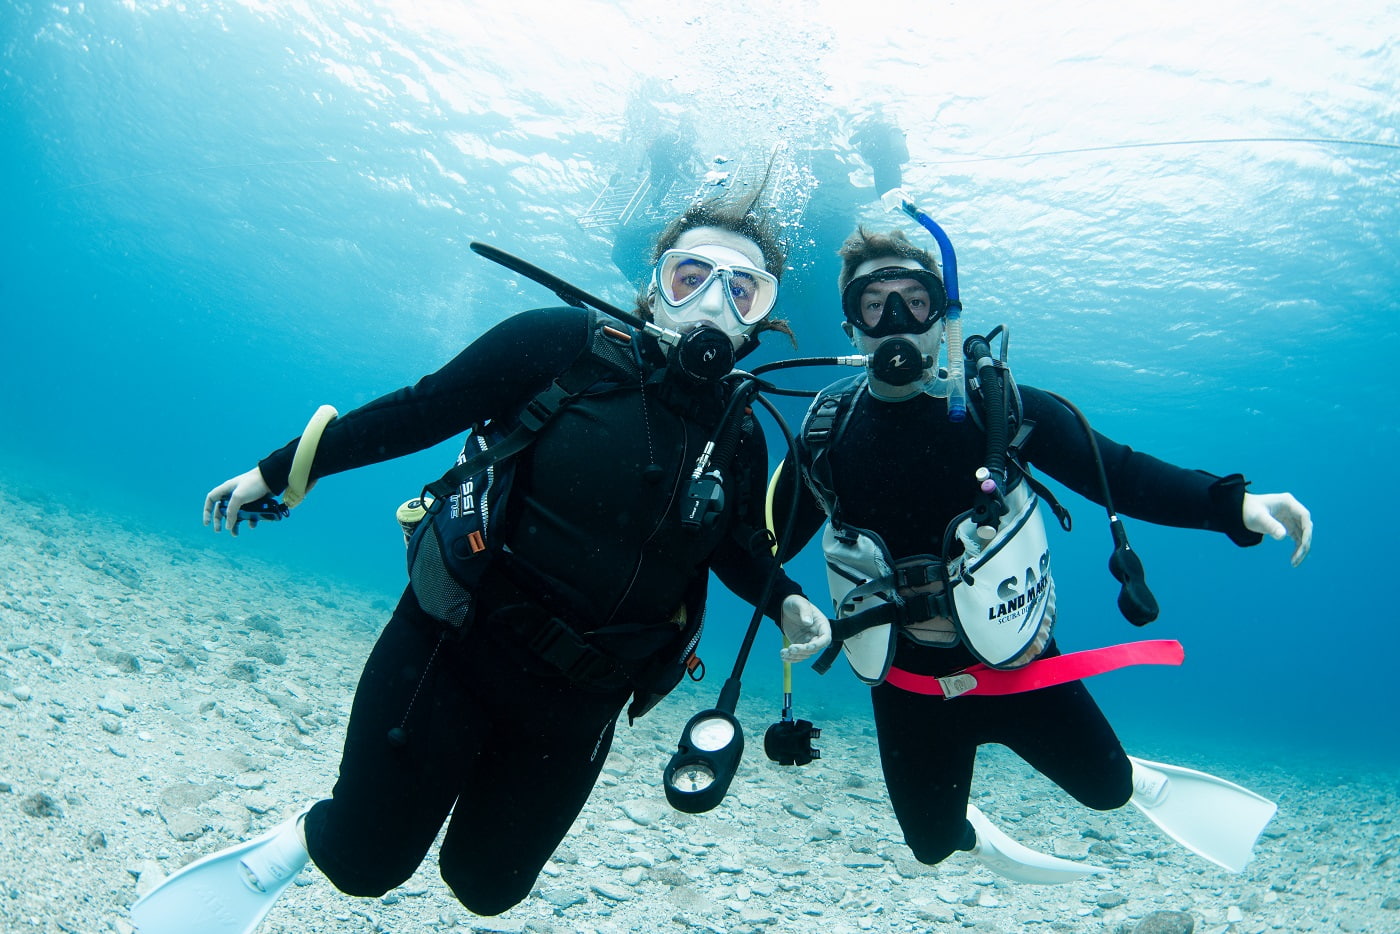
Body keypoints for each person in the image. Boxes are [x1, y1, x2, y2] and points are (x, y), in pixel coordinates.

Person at [130, 191, 832, 933]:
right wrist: (281, 471)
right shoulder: (564, 344)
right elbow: (419, 408)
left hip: (584, 695)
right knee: (364, 863)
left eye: (741, 289)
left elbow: (729, 548)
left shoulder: (743, 433)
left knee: (488, 886)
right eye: (691, 276)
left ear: (761, 317)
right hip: (458, 644)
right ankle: (305, 836)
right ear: (654, 286)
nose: (713, 303)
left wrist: (785, 598)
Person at [773, 225, 1313, 883]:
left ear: (944, 315)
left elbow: (1122, 471)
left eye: (914, 301)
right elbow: (758, 545)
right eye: (873, 302)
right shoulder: (826, 436)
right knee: (933, 845)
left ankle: (1132, 776)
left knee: (1107, 791)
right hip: (910, 687)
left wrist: (1233, 506)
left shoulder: (1000, 409)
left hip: (1021, 667)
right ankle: (976, 836)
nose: (893, 321)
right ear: (851, 325)